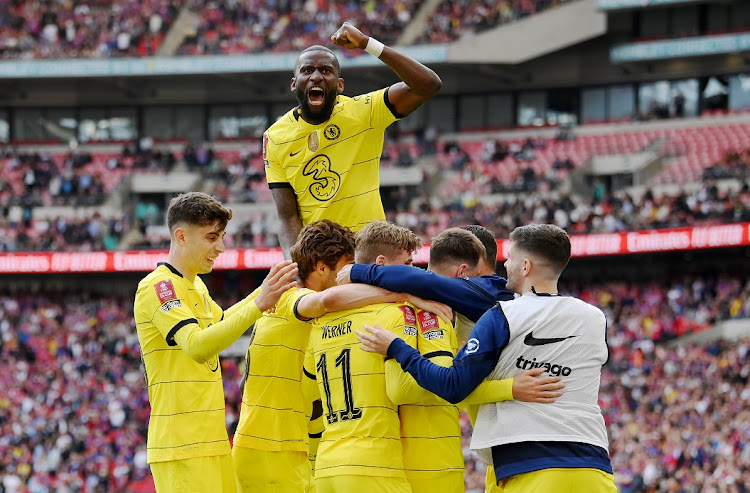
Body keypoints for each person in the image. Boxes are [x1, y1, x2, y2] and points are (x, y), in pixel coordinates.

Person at [357, 224, 617, 492]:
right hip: (595, 466)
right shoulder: (595, 318)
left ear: (525, 266)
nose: (505, 267)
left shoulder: (502, 315)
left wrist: (396, 348)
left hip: (528, 467)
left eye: (511, 259)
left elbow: (453, 386)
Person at [233, 220, 448, 492]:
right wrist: (404, 293)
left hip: (313, 456)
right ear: (321, 268)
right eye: (346, 268)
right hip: (285, 451)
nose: (351, 276)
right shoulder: (295, 299)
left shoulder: (305, 316)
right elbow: (329, 300)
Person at [133, 192, 298, 492]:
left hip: (211, 441)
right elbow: (197, 346)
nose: (220, 247)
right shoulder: (157, 287)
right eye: (211, 237)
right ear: (181, 236)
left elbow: (220, 326)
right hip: (181, 444)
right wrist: (259, 303)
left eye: (221, 237)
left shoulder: (196, 285)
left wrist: (268, 291)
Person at [264, 21, 442, 257]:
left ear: (339, 85)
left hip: (370, 251)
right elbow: (287, 217)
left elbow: (428, 85)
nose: (316, 76)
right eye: (307, 70)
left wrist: (368, 44)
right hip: (320, 258)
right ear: (294, 84)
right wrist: (297, 265)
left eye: (325, 70)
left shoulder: (364, 112)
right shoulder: (275, 137)